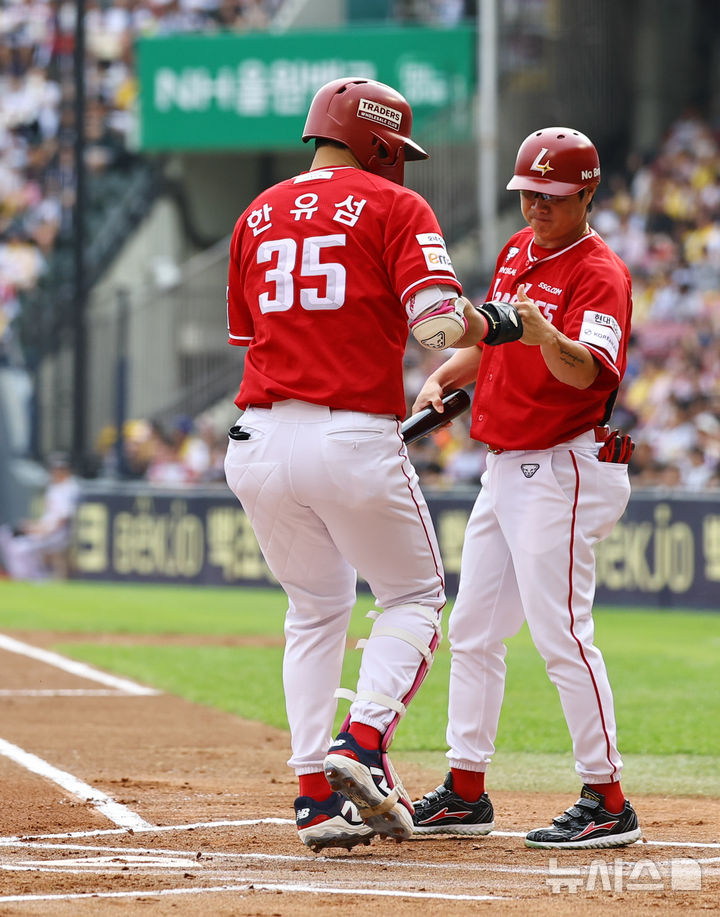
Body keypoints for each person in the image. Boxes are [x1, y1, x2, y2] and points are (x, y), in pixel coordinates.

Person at [223, 76, 506, 853]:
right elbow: (439, 327)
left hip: (255, 438)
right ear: (377, 139)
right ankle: (363, 739)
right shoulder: (395, 205)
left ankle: (314, 797)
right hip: (350, 434)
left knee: (314, 610)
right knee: (414, 596)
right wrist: (498, 326)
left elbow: (252, 337)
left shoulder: (256, 212)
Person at [411, 127, 642, 849]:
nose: (536, 206)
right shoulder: (517, 250)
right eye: (528, 193)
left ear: (586, 194)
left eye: (551, 195)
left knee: (561, 633)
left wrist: (546, 337)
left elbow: (588, 373)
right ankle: (465, 790)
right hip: (506, 462)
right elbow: (492, 339)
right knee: (474, 629)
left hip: (564, 462)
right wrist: (447, 372)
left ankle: (608, 799)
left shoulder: (599, 272)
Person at [0, 453, 80, 580]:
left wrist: (38, 530)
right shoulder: (54, 487)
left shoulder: (69, 489)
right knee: (5, 533)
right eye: (55, 469)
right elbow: (48, 518)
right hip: (46, 530)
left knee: (19, 547)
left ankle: (35, 578)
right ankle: (27, 575)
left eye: (60, 469)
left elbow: (61, 521)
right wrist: (33, 526)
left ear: (67, 470)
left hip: (55, 534)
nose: (56, 472)